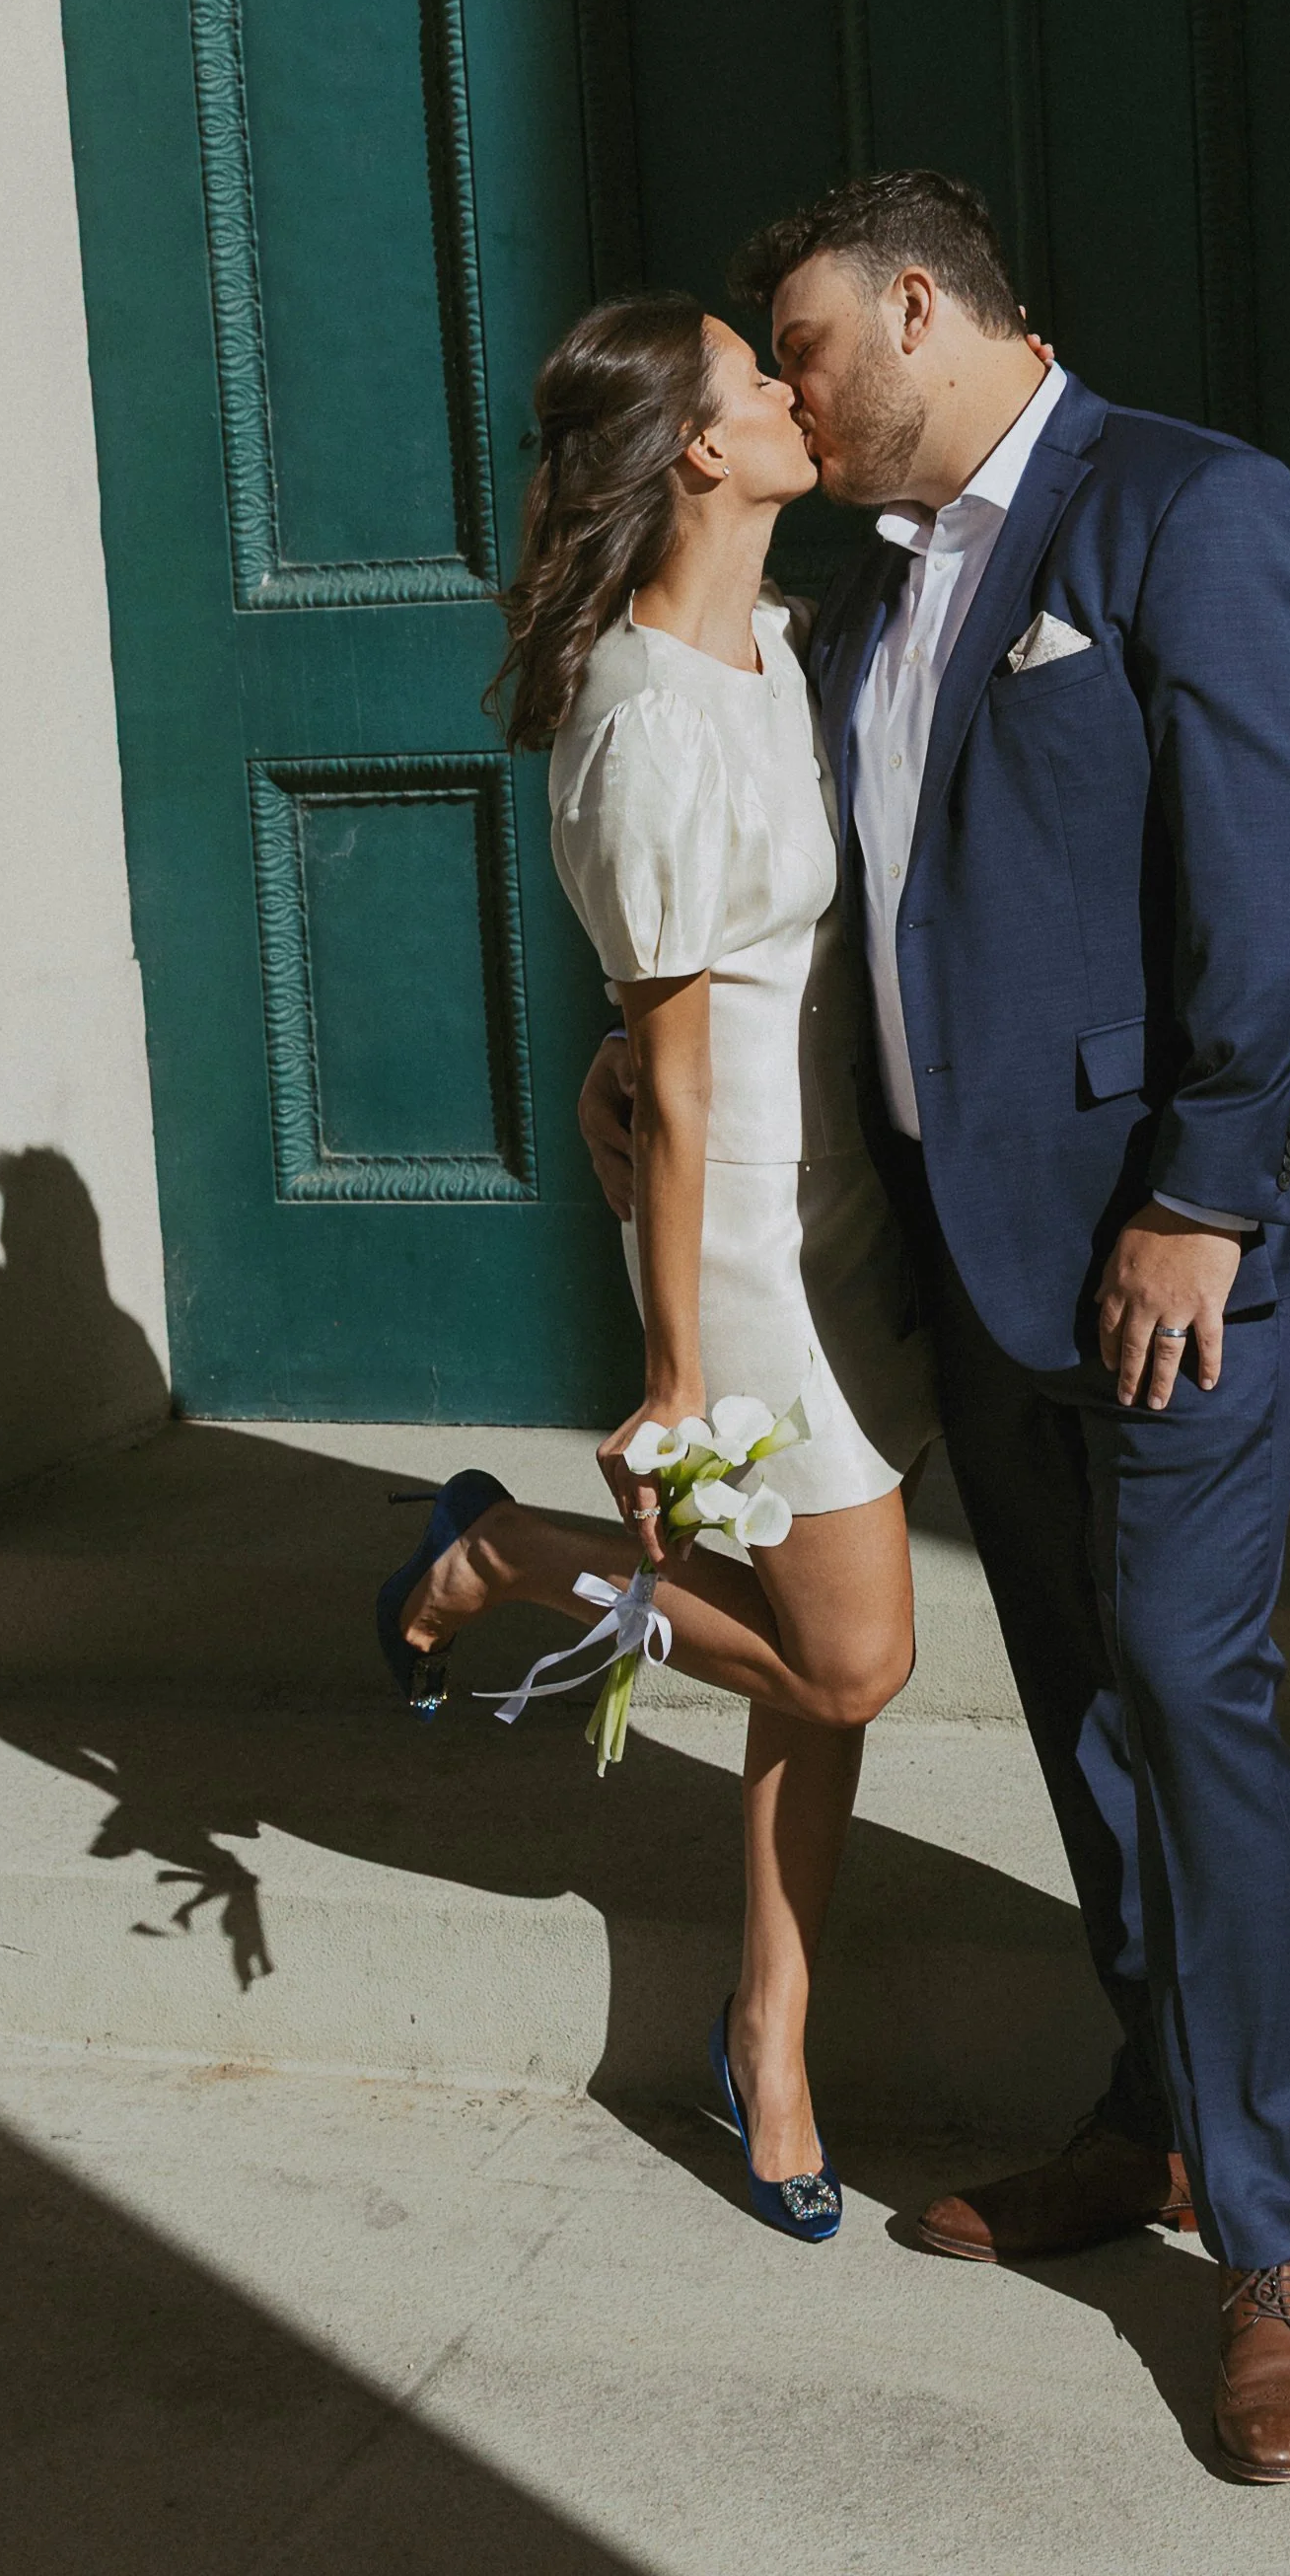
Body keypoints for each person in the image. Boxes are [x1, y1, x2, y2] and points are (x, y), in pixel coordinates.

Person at [580, 174, 1290, 2477]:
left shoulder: (1183, 504)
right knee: (1078, 1706)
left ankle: (1260, 2249)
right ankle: (1149, 2119)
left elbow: (1282, 882)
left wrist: (1194, 1200)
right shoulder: (861, 605)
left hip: (1180, 1246)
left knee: (1183, 1681)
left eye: (805, 348)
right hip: (972, 1266)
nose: (786, 394)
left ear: (919, 303)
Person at [376, 291, 938, 2245]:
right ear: (701, 448)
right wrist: (676, 1371)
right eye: (756, 377)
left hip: (851, 1210)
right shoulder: (632, 722)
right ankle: (511, 1558)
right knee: (855, 1651)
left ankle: (766, 2035)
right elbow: (680, 1089)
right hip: (746, 1246)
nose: (801, 395)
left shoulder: (779, 638)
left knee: (811, 1676)